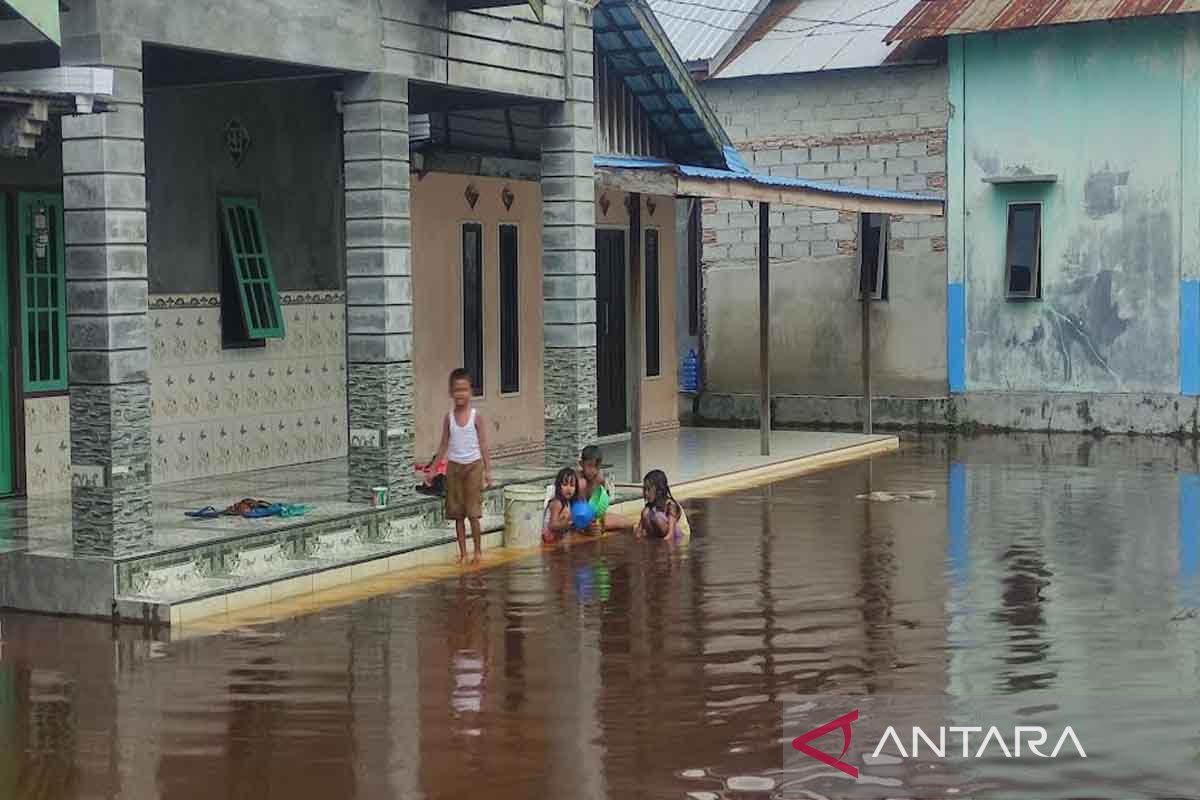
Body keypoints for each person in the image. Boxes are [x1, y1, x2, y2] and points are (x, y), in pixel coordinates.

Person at [429, 368, 492, 564]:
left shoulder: (476, 416)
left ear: (470, 392)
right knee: (457, 514)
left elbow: (483, 443)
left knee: (473, 513)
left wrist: (488, 470)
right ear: (450, 392)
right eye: (456, 390)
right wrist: (433, 468)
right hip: (454, 468)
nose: (460, 394)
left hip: (473, 466)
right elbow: (444, 444)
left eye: (464, 390)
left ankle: (478, 551)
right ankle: (463, 553)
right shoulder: (448, 418)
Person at [634, 469, 691, 543]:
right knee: (645, 513)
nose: (646, 493)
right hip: (662, 533)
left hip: (680, 537)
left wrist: (662, 547)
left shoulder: (671, 505)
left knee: (658, 518)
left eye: (648, 490)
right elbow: (639, 531)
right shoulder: (649, 507)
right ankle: (654, 539)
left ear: (659, 490)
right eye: (644, 489)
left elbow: (670, 535)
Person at [577, 445, 610, 534]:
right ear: (581, 464)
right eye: (590, 466)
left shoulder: (599, 479)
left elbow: (602, 504)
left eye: (597, 466)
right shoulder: (579, 481)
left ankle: (637, 526)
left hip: (592, 516)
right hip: (576, 518)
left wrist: (602, 522)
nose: (594, 471)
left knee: (612, 522)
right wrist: (585, 527)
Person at [542, 467, 579, 544]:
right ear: (558, 486)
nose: (568, 488)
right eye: (565, 484)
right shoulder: (557, 503)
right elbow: (552, 525)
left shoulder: (568, 503)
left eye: (572, 485)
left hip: (557, 540)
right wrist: (568, 524)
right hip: (547, 541)